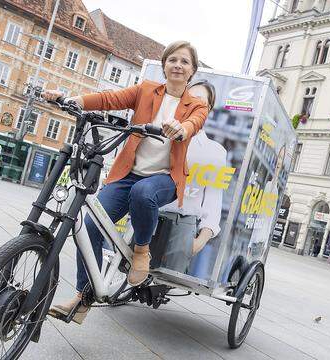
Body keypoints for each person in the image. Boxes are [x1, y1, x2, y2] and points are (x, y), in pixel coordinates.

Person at [45, 41, 208, 324]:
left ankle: (141, 251)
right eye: (172, 60)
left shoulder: (197, 103)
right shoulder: (145, 90)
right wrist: (74, 100)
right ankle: (84, 298)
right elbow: (109, 99)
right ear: (165, 64)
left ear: (192, 70)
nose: (178, 66)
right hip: (127, 174)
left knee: (144, 194)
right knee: (90, 226)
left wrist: (181, 128)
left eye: (184, 62)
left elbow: (195, 122)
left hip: (165, 178)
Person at [157, 80, 225, 276]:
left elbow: (213, 199)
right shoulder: (160, 133)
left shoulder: (215, 151)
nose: (193, 103)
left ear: (208, 109)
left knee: (167, 278)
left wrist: (200, 240)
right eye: (189, 98)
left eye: (200, 100)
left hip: (183, 222)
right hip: (150, 214)